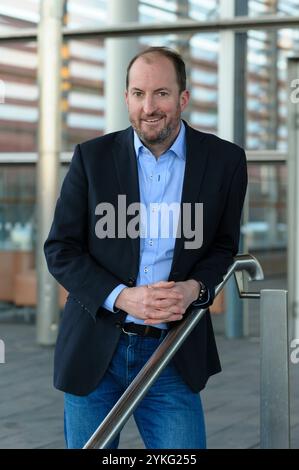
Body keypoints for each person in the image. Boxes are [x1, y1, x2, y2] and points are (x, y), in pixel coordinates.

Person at [44, 46, 247, 449]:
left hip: (172, 352)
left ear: (183, 98)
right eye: (138, 94)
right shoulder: (92, 158)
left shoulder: (225, 161)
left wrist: (194, 289)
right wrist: (123, 298)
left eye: (161, 94)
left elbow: (223, 247)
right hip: (95, 349)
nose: (148, 106)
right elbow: (61, 249)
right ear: (126, 99)